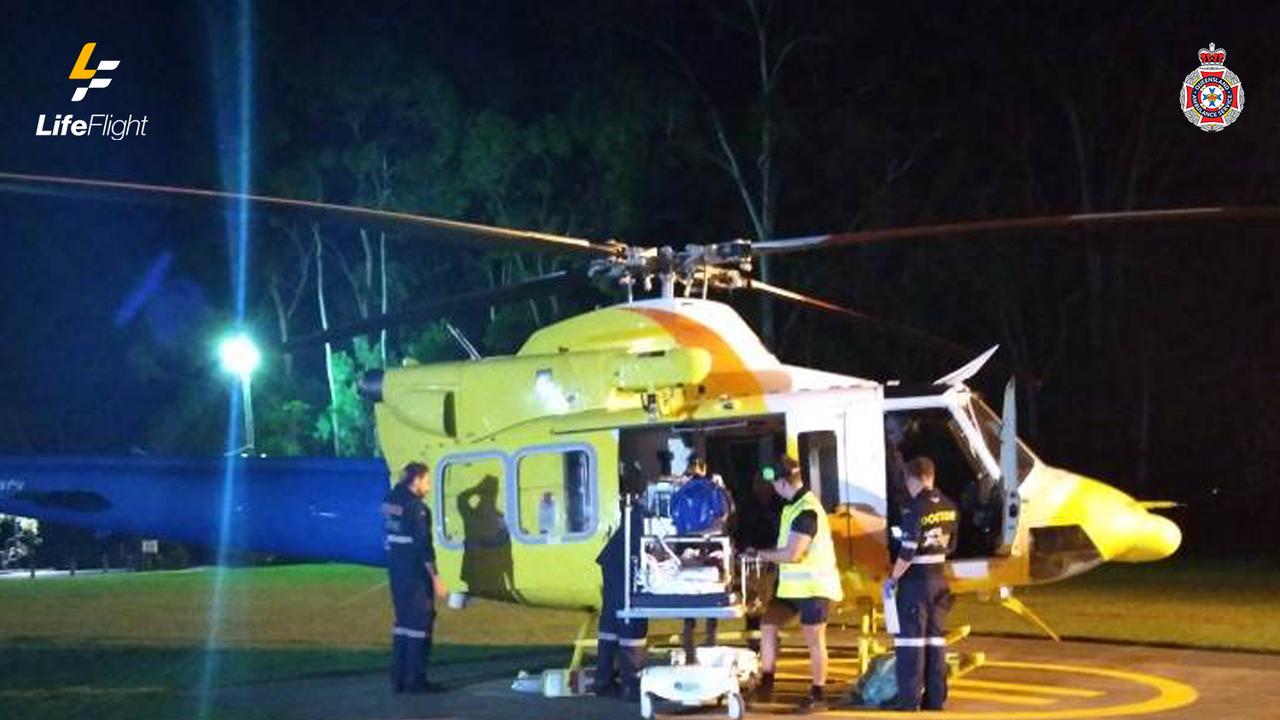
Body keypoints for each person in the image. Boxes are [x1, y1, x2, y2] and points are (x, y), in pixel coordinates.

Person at [751, 456, 844, 713]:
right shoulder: (792, 506)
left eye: (775, 484)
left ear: (782, 482)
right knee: (768, 624)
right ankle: (766, 682)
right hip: (793, 588)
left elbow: (793, 553)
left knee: (814, 640)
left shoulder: (806, 510)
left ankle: (818, 694)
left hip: (814, 587)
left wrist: (760, 554)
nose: (773, 489)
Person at [885, 457, 958, 711]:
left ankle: (908, 701)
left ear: (911, 479)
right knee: (935, 641)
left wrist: (893, 578)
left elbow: (907, 551)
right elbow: (951, 545)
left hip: (916, 583)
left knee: (911, 643)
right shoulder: (950, 506)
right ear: (932, 475)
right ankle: (936, 700)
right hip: (940, 580)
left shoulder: (915, 509)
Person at [382, 461, 447, 693]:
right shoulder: (417, 508)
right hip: (416, 575)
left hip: (397, 572)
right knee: (420, 625)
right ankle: (416, 681)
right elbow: (423, 547)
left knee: (403, 625)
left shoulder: (390, 500)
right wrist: (436, 578)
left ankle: (398, 678)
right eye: (427, 481)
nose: (428, 487)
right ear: (417, 479)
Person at [675, 454, 734, 659]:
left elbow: (673, 517)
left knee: (688, 592)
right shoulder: (714, 489)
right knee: (711, 590)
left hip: (686, 546)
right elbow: (725, 515)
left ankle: (689, 644)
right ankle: (710, 640)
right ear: (703, 467)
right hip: (711, 544)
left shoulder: (680, 491)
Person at [594, 494, 649, 701]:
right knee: (631, 622)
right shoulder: (644, 519)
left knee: (610, 625)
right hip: (626, 564)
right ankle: (632, 687)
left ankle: (603, 681)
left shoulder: (634, 517)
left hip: (614, 562)